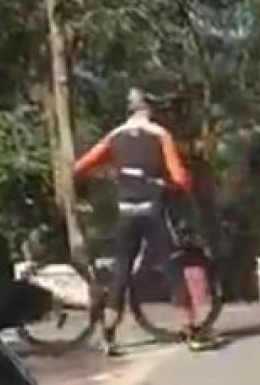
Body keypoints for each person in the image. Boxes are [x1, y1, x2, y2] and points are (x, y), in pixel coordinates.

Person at [73, 89, 212, 357]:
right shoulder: (160, 135)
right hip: (152, 210)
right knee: (171, 265)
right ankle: (192, 331)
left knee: (121, 271)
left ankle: (108, 337)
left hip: (126, 211)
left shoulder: (114, 137)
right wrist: (174, 183)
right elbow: (181, 177)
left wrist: (108, 180)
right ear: (151, 110)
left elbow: (80, 166)